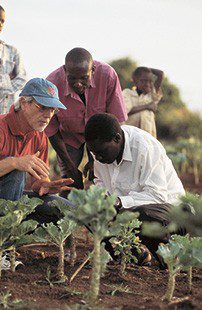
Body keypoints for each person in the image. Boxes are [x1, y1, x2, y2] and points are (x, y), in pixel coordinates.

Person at [0, 78, 73, 269]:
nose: (48, 115)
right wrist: (13, 162)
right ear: (24, 103)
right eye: (42, 107)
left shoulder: (39, 135)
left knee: (61, 207)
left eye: (53, 110)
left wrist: (44, 186)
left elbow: (37, 183)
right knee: (15, 168)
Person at [84, 113, 185, 264]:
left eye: (101, 152)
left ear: (117, 139)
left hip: (170, 213)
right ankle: (133, 256)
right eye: (93, 153)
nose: (97, 158)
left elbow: (157, 196)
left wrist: (118, 202)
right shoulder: (101, 151)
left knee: (141, 214)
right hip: (129, 211)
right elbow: (101, 183)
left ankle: (170, 256)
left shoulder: (145, 148)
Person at [46, 48, 127, 194]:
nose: (78, 84)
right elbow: (51, 130)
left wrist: (96, 160)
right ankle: (66, 213)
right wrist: (70, 167)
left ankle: (102, 209)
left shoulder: (108, 75)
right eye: (72, 78)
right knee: (69, 181)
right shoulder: (52, 84)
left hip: (100, 136)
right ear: (65, 71)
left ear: (93, 70)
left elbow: (115, 121)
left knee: (102, 175)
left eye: (84, 78)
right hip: (68, 137)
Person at [123, 67, 164, 138]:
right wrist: (147, 106)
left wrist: (148, 70)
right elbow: (125, 111)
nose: (147, 84)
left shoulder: (151, 96)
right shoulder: (127, 93)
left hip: (148, 137)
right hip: (131, 136)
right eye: (144, 80)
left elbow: (160, 74)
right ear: (135, 81)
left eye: (150, 81)